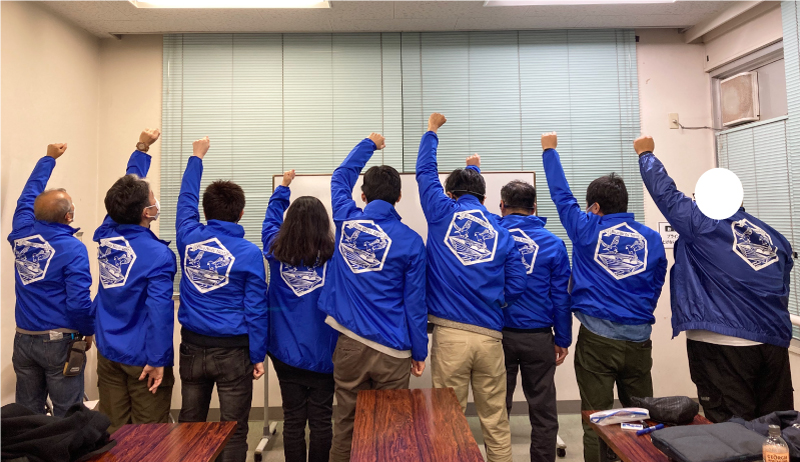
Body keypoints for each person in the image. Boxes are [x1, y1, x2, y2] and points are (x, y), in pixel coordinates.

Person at [635, 135, 795, 422]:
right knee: (776, 428)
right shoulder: (773, 237)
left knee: (731, 433)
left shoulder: (703, 222)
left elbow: (666, 194)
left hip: (723, 343)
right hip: (773, 343)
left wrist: (646, 154)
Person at [540, 131, 667, 462]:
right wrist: (640, 310)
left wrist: (550, 150)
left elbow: (561, 195)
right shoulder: (652, 239)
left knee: (597, 421)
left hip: (597, 341)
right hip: (639, 341)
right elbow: (657, 281)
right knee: (640, 420)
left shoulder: (586, 229)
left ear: (595, 207)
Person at [417, 113, 527, 462]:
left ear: (449, 195)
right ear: (484, 197)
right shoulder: (501, 229)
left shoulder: (441, 212)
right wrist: (498, 301)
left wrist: (432, 131)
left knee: (447, 421)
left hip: (450, 336)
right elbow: (518, 283)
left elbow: (425, 174)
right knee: (495, 421)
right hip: (491, 337)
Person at [320, 133, 428, 462]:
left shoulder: (346, 220)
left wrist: (369, 144)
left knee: (345, 426)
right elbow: (415, 304)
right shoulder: (411, 241)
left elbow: (340, 177)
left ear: (363, 196)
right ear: (399, 197)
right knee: (392, 432)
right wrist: (419, 351)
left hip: (350, 344)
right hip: (393, 349)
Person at [175, 137, 268, 462]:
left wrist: (196, 157)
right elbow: (256, 309)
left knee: (190, 427)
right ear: (241, 213)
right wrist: (258, 355)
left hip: (192, 347)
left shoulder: (188, 237)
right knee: (234, 431)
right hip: (234, 352)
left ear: (205, 212)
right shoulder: (250, 253)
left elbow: (185, 200)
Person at [93, 128, 176, 434]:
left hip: (108, 350)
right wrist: (158, 360)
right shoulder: (159, 255)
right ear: (146, 213)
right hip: (143, 359)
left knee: (114, 434)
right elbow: (159, 311)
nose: (156, 201)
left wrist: (142, 149)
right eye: (153, 199)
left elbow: (123, 193)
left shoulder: (107, 234)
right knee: (148, 438)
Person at [9, 143, 94, 417]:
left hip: (23, 339)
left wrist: (48, 158)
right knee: (67, 417)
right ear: (68, 217)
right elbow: (78, 302)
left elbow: (26, 198)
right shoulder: (73, 248)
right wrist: (88, 330)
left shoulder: (21, 232)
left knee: (27, 418)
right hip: (59, 342)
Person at [261, 169, 338, 462]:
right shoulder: (335, 257)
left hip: (284, 351)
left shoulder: (275, 249)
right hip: (325, 352)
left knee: (292, 418)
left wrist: (283, 188)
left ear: (289, 224)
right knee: (321, 419)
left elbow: (270, 220)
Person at [496, 179, 571, 462]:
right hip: (539, 338)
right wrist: (562, 338)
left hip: (498, 336)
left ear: (502, 206)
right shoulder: (553, 243)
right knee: (543, 411)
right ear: (534, 207)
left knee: (496, 409)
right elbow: (561, 296)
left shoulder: (493, 237)